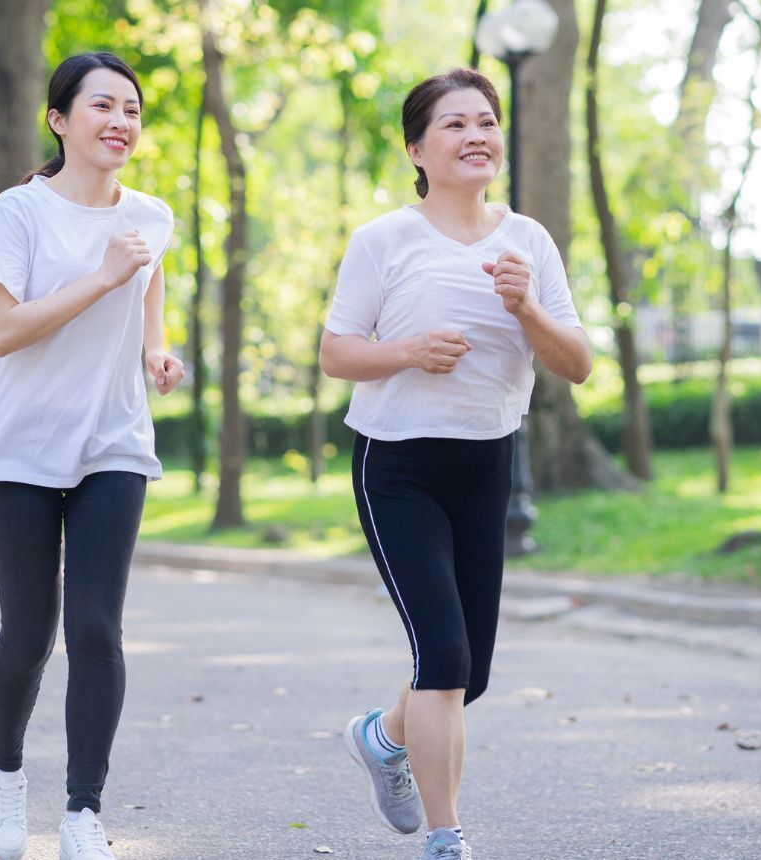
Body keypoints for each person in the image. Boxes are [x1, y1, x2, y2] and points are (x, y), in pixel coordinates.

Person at [319, 68, 591, 860]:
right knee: (440, 658)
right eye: (454, 125)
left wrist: (527, 306)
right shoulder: (384, 240)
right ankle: (448, 839)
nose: (476, 136)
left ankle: (381, 736)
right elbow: (337, 352)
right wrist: (406, 352)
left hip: (486, 465)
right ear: (417, 148)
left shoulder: (528, 242)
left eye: (486, 122)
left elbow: (576, 365)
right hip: (396, 465)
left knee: (466, 675)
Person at [0, 51, 183, 860]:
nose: (122, 122)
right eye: (104, 107)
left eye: (133, 110)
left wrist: (156, 349)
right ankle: (4, 770)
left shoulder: (151, 215)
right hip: (21, 449)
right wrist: (102, 275)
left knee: (97, 629)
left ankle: (84, 812)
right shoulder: (16, 213)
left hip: (113, 441)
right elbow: (3, 334)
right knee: (28, 634)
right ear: (59, 119)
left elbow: (148, 282)